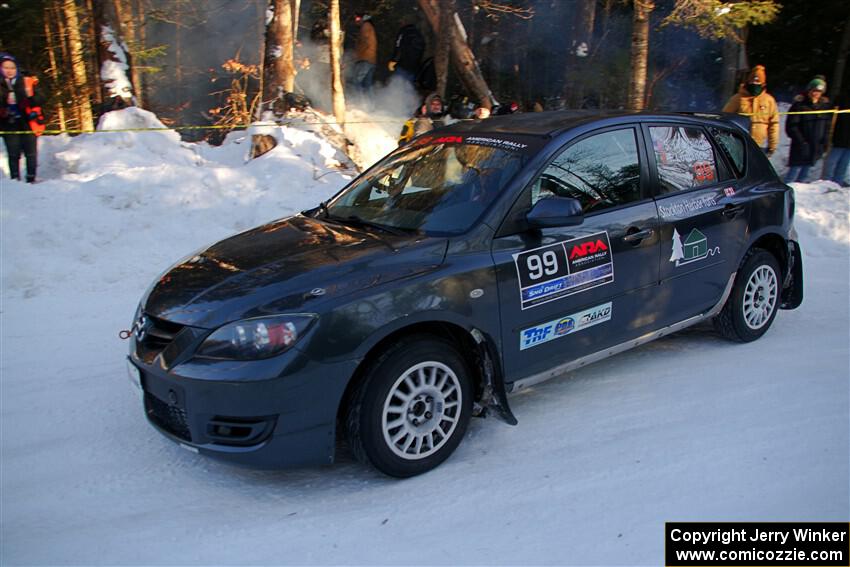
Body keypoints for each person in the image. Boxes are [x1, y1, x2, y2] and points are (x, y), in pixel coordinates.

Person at [0, 53, 42, 183]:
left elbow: (41, 98)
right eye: (5, 67)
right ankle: (15, 180)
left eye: (12, 67)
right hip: (8, 123)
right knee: (13, 153)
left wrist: (30, 100)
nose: (9, 70)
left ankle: (31, 178)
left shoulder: (26, 81)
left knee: (31, 153)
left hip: (28, 121)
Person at [722, 65, 780, 157]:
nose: (754, 83)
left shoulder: (769, 101)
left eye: (757, 81)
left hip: (758, 145)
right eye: (752, 80)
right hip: (739, 143)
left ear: (763, 83)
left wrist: (772, 145)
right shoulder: (738, 98)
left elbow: (774, 124)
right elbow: (724, 117)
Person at [785, 76, 833, 183]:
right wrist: (801, 141)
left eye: (819, 91)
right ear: (809, 90)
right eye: (814, 90)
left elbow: (827, 126)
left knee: (805, 174)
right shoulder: (800, 105)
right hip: (801, 145)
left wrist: (825, 141)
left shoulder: (824, 107)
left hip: (815, 145)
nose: (816, 93)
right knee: (793, 174)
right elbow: (792, 126)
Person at [388, 17, 425, 86]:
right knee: (408, 87)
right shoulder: (419, 34)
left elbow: (398, 47)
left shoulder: (403, 32)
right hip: (415, 68)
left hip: (403, 66)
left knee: (396, 86)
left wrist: (393, 60)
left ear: (404, 22)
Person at [824, 96, 849, 187]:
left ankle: (837, 184)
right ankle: (826, 183)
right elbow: (831, 113)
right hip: (838, 139)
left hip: (848, 144)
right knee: (831, 163)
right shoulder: (843, 98)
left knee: (843, 165)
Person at [352, 11, 376, 100]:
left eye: (358, 18)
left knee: (356, 82)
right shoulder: (369, 26)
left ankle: (360, 103)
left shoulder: (365, 26)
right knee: (367, 85)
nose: (356, 21)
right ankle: (371, 106)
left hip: (364, 59)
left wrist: (356, 55)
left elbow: (365, 43)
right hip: (371, 60)